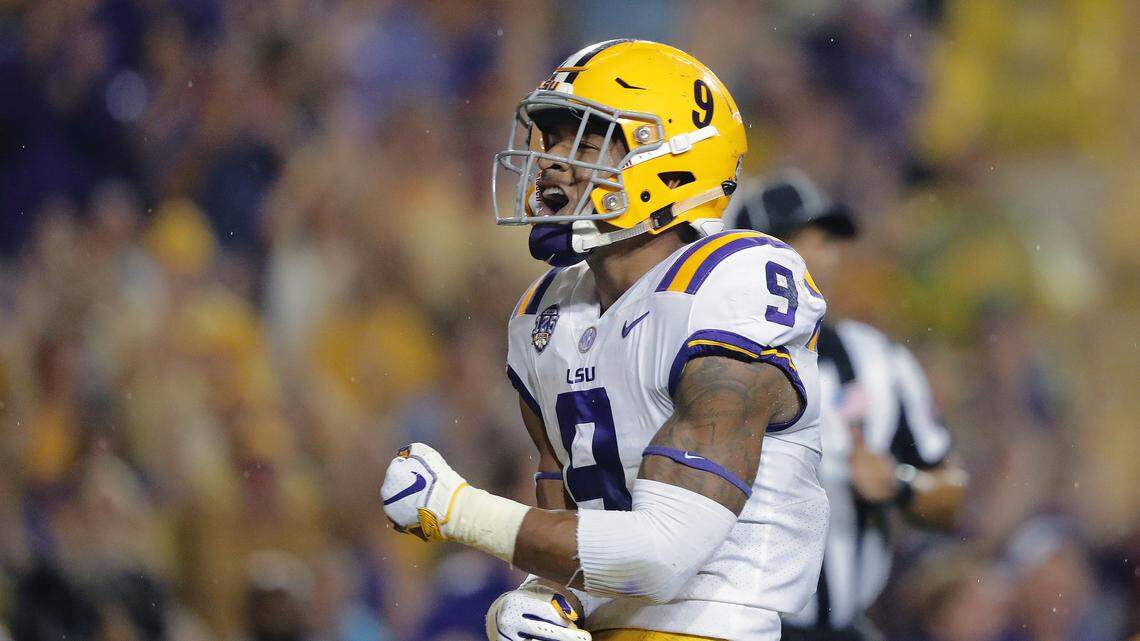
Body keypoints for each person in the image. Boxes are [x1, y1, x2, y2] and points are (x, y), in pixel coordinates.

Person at [380, 40, 830, 641]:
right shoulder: (546, 313)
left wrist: (458, 511)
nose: (553, 164)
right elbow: (568, 520)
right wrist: (543, 598)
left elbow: (664, 555)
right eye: (552, 140)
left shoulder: (729, 283)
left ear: (672, 161)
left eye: (587, 142)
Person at [724, 170, 969, 641]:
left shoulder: (879, 362)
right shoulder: (707, 360)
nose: (820, 260)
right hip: (737, 627)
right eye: (797, 242)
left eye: (827, 244)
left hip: (843, 628)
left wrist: (900, 484)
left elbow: (951, 493)